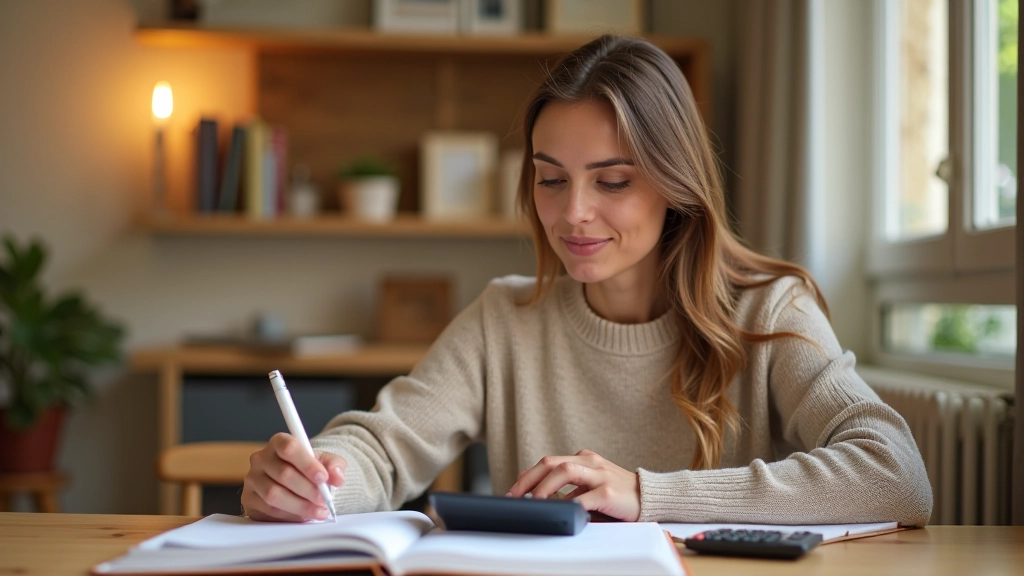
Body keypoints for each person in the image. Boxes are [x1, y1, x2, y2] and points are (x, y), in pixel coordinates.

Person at [241, 35, 933, 526]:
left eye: (612, 181)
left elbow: (896, 477)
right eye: (550, 179)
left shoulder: (769, 310)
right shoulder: (505, 316)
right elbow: (383, 446)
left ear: (675, 182)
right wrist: (317, 475)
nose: (572, 214)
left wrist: (644, 493)